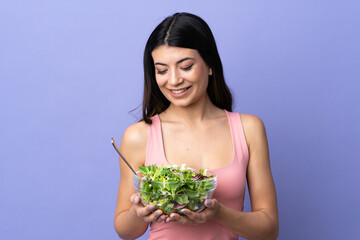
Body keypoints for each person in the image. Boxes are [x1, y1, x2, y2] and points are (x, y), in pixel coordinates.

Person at [114, 12, 279, 240]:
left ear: (210, 65)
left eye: (186, 66)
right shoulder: (138, 136)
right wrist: (139, 212)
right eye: (162, 70)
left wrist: (217, 213)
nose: (173, 80)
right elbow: (125, 230)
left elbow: (269, 230)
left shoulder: (249, 128)